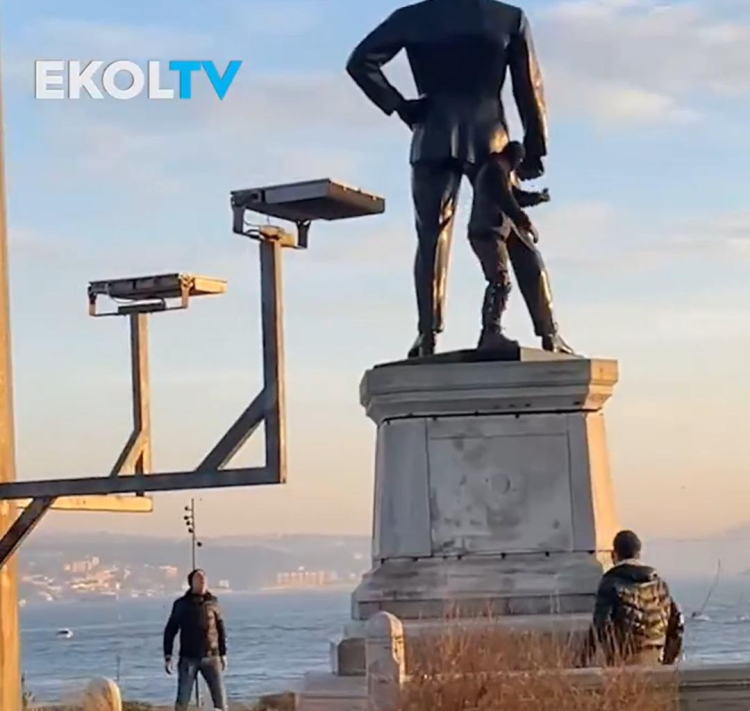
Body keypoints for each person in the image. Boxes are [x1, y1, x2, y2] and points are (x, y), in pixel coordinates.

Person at [346, 0, 571, 358]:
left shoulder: (414, 17)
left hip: (432, 133)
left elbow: (360, 62)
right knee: (513, 234)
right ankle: (548, 332)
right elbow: (528, 87)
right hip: (490, 138)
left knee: (431, 237)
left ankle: (427, 335)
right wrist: (535, 146)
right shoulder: (508, 18)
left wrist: (400, 105)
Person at [468, 140, 572, 353]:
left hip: (492, 231)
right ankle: (490, 332)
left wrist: (536, 198)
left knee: (501, 280)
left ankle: (492, 331)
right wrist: (524, 220)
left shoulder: (499, 169)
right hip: (487, 232)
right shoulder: (495, 168)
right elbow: (506, 198)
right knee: (499, 281)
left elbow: (514, 196)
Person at [582, 530, 684, 667]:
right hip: (656, 657)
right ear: (638, 554)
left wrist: (584, 659)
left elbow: (600, 625)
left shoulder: (611, 583)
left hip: (625, 660)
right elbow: (677, 624)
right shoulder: (659, 584)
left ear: (614, 555)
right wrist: (668, 661)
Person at [164, 569, 228, 711]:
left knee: (220, 701)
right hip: (188, 658)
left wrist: (223, 653)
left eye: (204, 577)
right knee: (183, 699)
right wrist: (168, 655)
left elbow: (220, 628)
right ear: (191, 582)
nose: (202, 580)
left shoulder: (213, 602)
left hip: (211, 656)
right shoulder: (181, 604)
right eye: (198, 578)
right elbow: (171, 629)